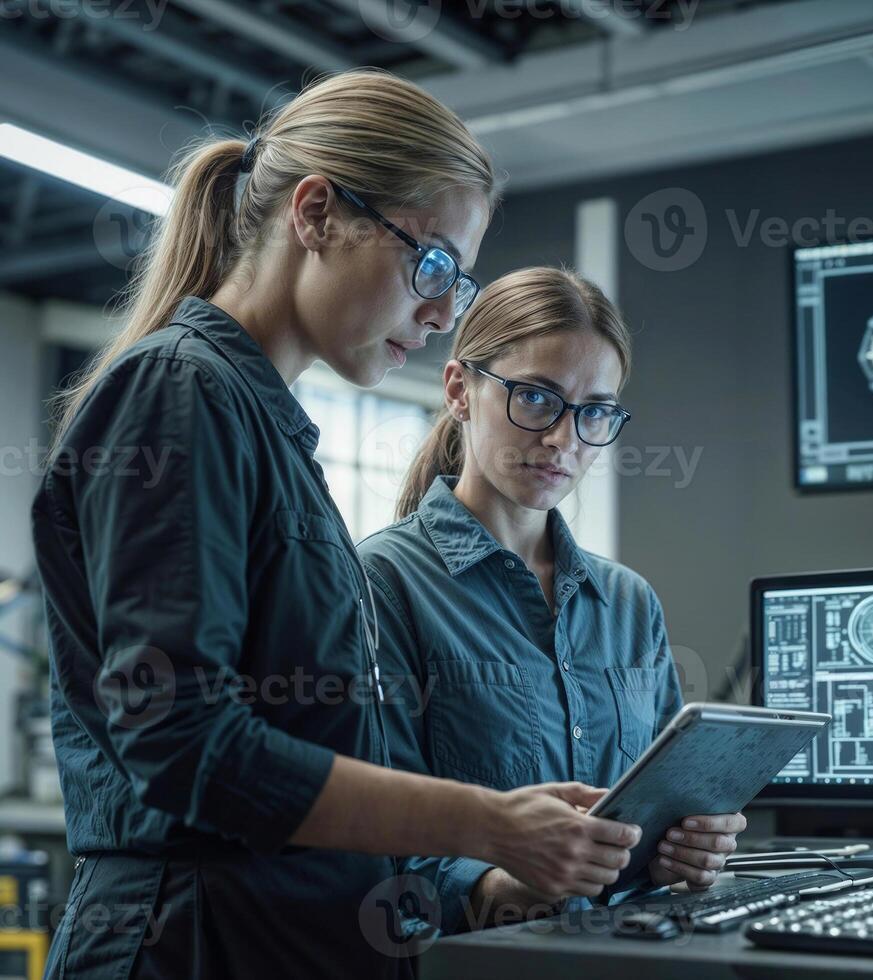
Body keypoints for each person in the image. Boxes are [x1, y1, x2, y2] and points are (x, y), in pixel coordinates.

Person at [32, 72, 639, 979]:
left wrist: (495, 867)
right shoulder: (181, 392)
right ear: (316, 215)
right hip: (194, 944)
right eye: (432, 264)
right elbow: (182, 741)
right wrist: (487, 821)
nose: (442, 315)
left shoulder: (260, 420)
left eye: (458, 280)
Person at [357, 267, 745, 932]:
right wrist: (501, 882)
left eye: (593, 411)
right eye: (536, 398)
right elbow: (368, 835)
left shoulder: (627, 602)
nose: (564, 439)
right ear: (459, 390)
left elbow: (664, 807)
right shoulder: (381, 581)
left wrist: (690, 845)